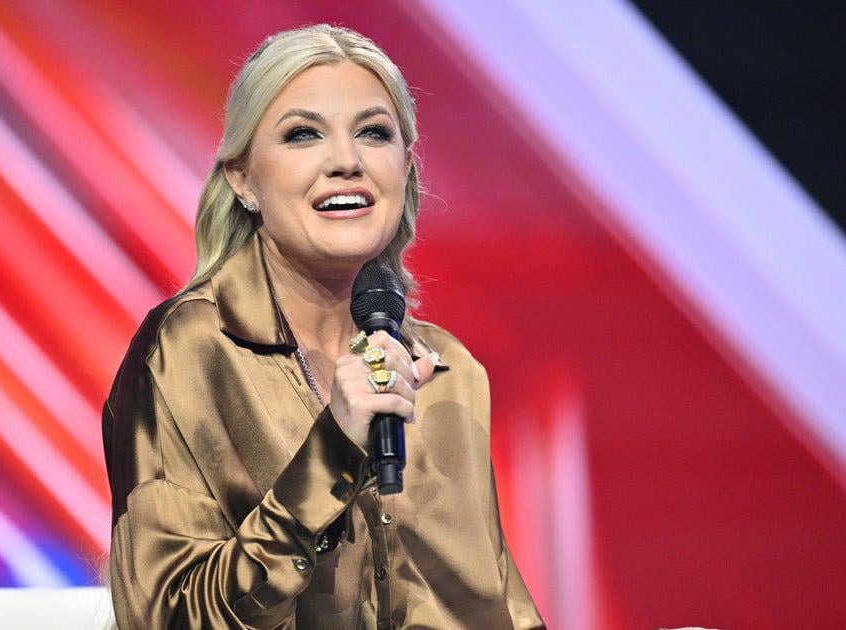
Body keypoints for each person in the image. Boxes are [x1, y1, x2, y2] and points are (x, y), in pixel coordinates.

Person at [102, 24, 544, 629]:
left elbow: (500, 612)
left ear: (405, 168)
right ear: (242, 178)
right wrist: (331, 452)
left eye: (373, 132)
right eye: (303, 134)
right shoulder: (189, 351)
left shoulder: (449, 372)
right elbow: (165, 618)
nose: (346, 162)